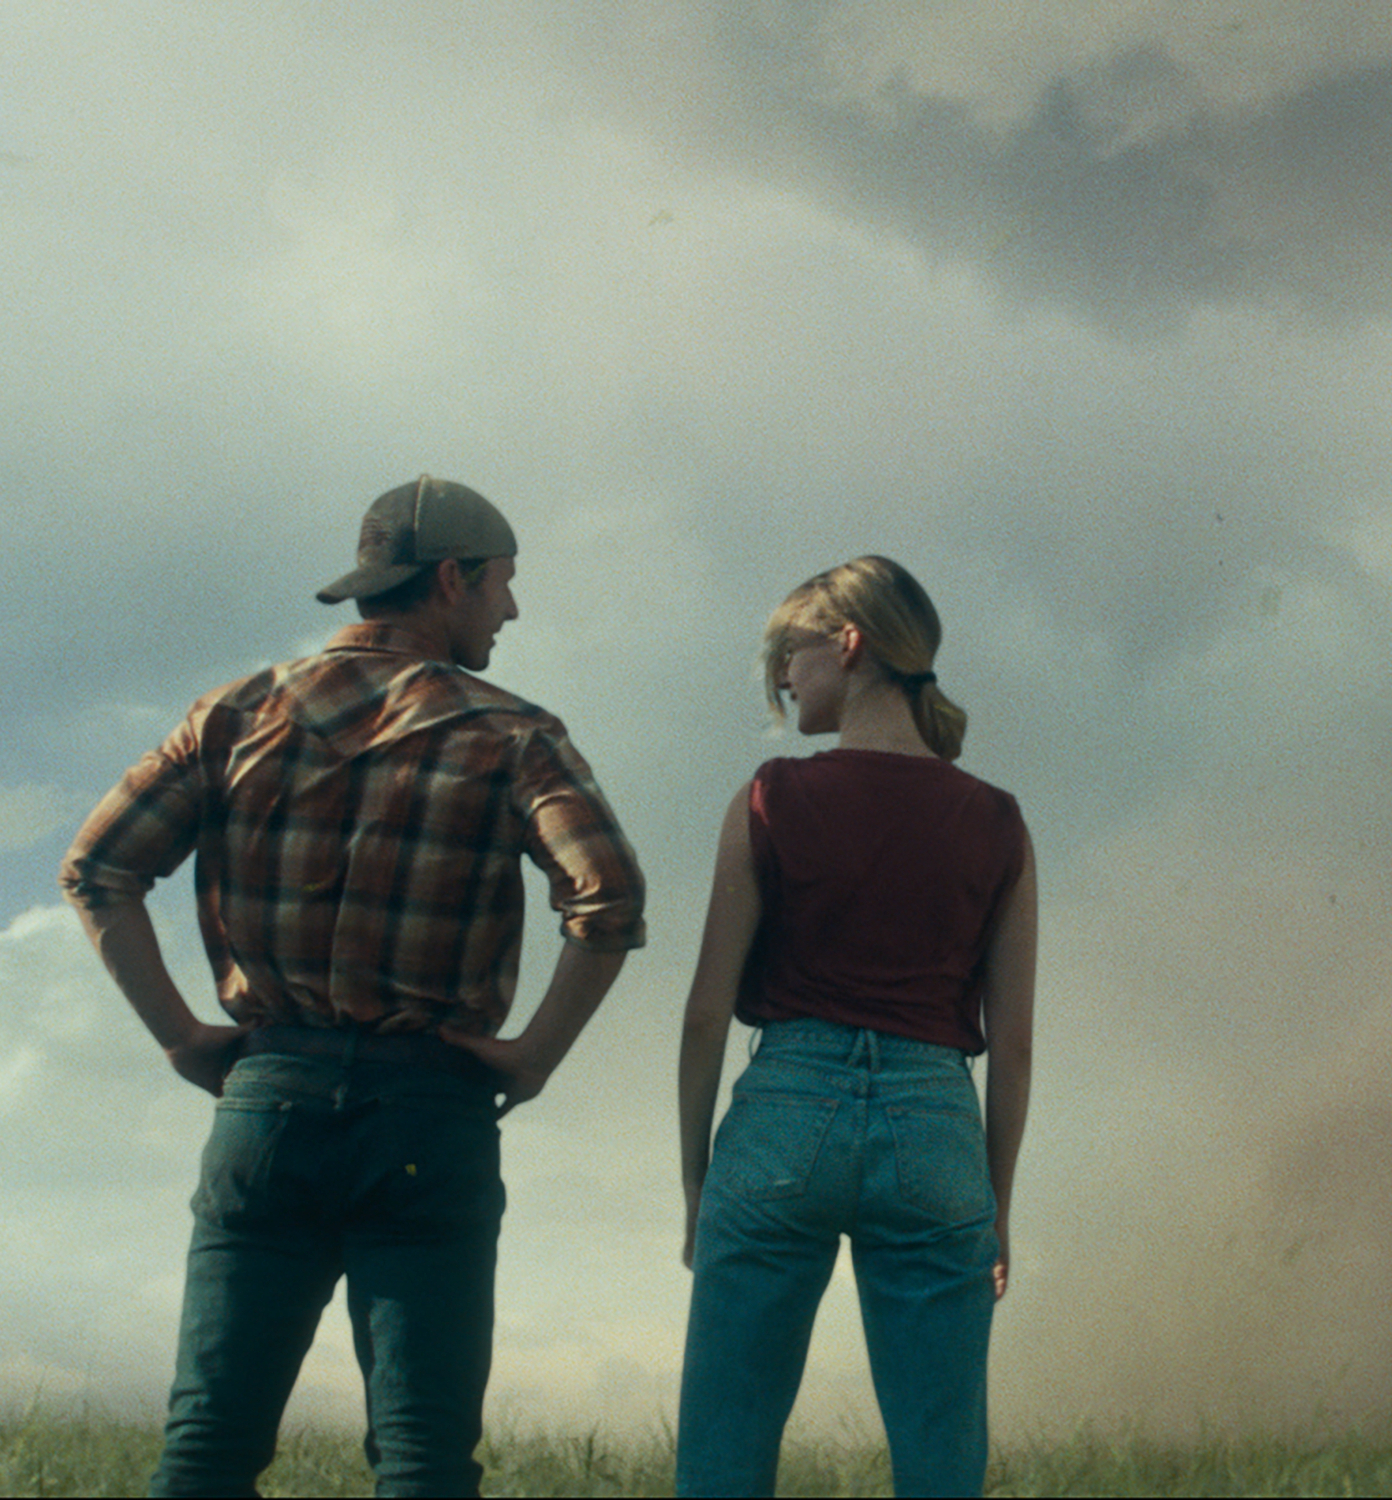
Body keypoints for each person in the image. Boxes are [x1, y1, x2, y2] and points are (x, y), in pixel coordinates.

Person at [60, 475, 645, 1498]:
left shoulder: (232, 713)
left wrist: (181, 1037)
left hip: (267, 1100)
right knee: (422, 1458)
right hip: (430, 1114)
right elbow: (609, 896)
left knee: (207, 1446)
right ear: (451, 578)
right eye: (504, 584)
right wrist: (536, 1055)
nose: (511, 609)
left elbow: (99, 868)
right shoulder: (513, 733)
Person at [675, 555, 1037, 1498]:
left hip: (783, 1116)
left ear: (849, 642)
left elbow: (707, 1012)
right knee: (941, 1461)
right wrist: (995, 1204)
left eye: (789, 653)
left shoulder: (771, 797)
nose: (783, 678)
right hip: (935, 1126)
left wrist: (695, 1185)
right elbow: (1017, 1041)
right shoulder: (999, 821)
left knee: (724, 1451)